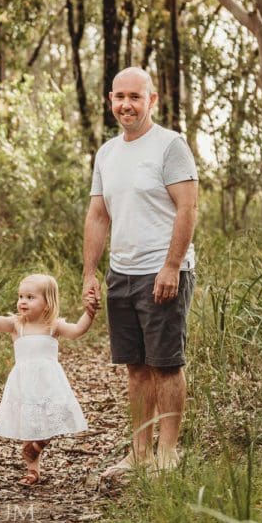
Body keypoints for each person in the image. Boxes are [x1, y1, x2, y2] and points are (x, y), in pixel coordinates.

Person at [82, 67, 198, 478]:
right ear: (111, 99)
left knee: (165, 364)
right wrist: (90, 274)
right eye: (119, 97)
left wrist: (171, 266)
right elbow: (98, 215)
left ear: (152, 100)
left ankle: (167, 455)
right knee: (135, 367)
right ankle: (139, 454)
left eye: (135, 96)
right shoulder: (108, 153)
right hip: (122, 273)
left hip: (162, 271)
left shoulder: (170, 145)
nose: (126, 104)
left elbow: (188, 207)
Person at [0, 274, 95, 485]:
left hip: (49, 381)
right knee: (30, 421)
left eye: (30, 297)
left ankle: (42, 440)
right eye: (20, 296)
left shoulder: (53, 325)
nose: (22, 301)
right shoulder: (16, 325)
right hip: (25, 383)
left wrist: (89, 314)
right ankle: (32, 470)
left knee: (58, 412)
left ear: (47, 303)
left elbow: (77, 331)